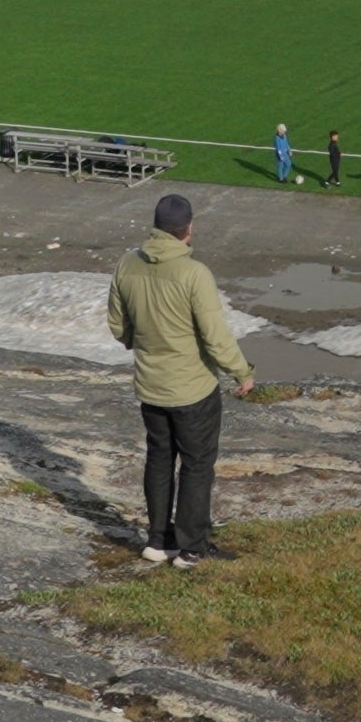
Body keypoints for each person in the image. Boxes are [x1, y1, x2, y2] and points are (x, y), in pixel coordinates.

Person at [106, 191, 255, 566]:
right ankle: (192, 548)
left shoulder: (127, 264)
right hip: (192, 389)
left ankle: (158, 540)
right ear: (187, 230)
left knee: (158, 459)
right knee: (197, 464)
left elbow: (118, 324)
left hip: (151, 386)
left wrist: (136, 343)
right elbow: (214, 335)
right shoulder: (194, 273)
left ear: (156, 227)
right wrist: (242, 371)